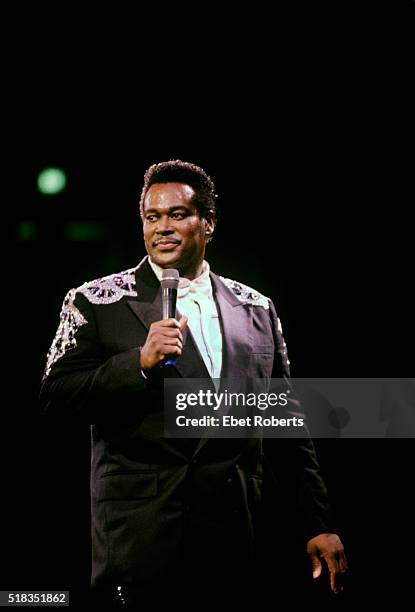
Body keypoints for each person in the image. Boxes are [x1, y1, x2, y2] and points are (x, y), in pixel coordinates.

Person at [39, 160, 347, 607]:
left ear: (208, 223)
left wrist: (316, 522)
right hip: (142, 539)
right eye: (152, 217)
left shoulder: (257, 309)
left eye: (178, 215)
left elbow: (286, 428)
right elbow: (54, 397)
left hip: (236, 541)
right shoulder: (95, 301)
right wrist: (138, 364)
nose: (162, 228)